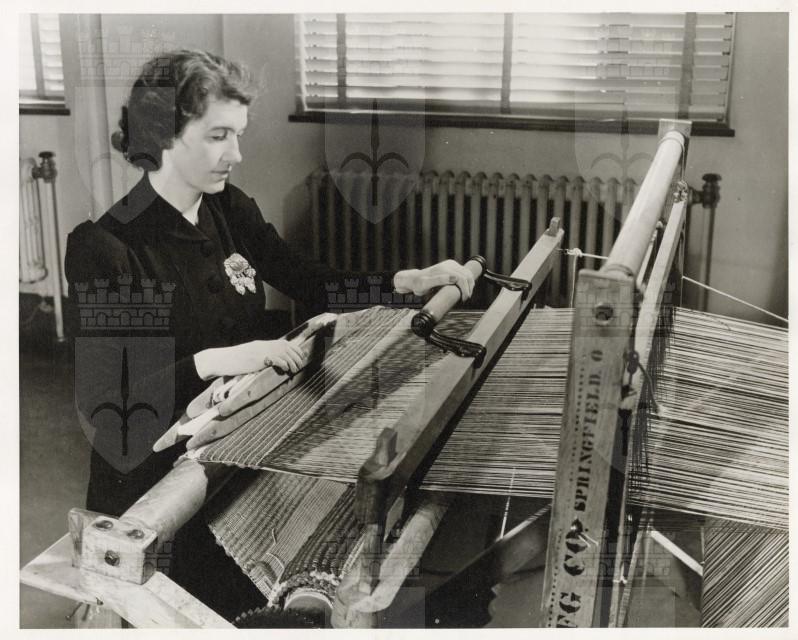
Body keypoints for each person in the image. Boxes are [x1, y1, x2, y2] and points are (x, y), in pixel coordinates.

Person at [64, 49, 475, 620]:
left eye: (238, 134)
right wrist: (217, 360)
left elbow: (311, 282)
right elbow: (109, 405)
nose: (236, 154)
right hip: (155, 491)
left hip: (235, 456)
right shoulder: (106, 247)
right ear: (162, 136)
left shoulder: (227, 209)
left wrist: (407, 282)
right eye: (218, 136)